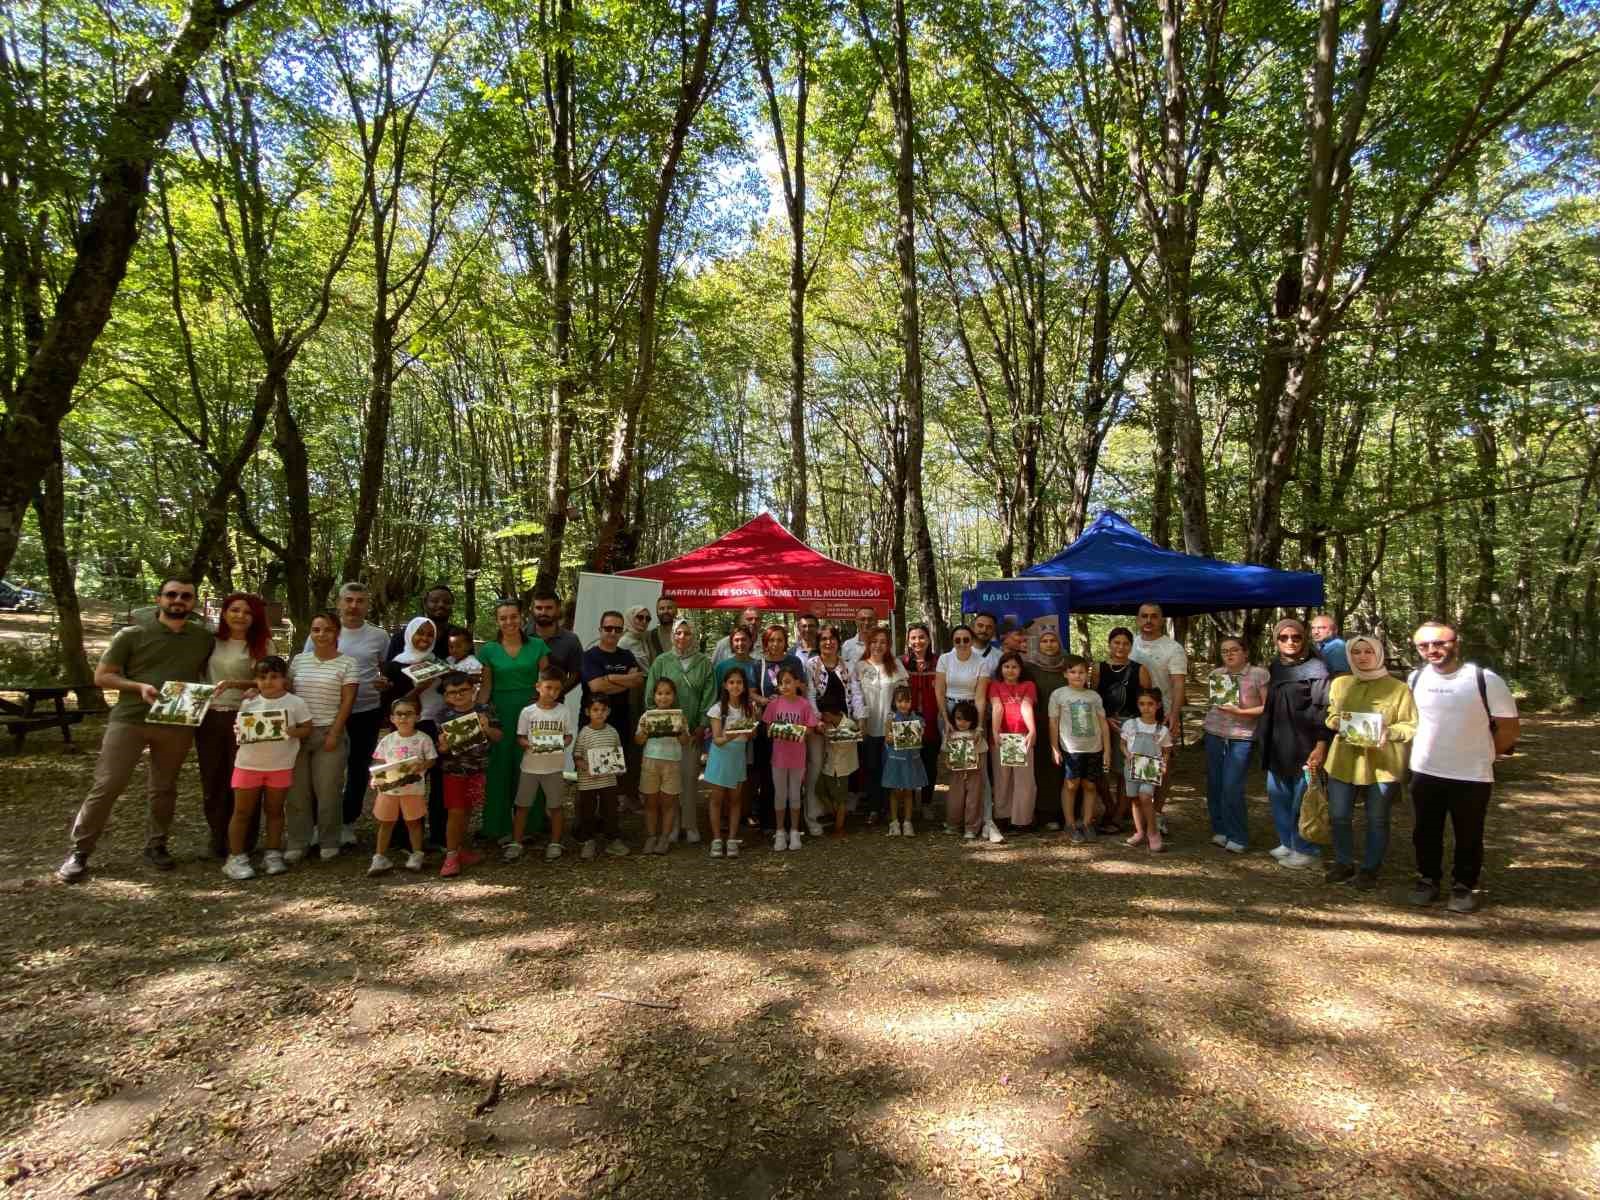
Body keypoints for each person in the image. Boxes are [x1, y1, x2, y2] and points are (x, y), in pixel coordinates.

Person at [58, 576, 217, 883]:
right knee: (107, 785)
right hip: (130, 719)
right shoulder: (131, 635)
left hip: (175, 721)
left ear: (193, 602)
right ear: (159, 599)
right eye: (172, 594)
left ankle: (156, 845)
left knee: (164, 787)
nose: (178, 600)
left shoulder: (202, 638)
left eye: (186, 596)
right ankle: (80, 851)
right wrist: (138, 686)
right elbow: (102, 676)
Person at [1405, 621, 1518, 912]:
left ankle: (1463, 887)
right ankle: (1427, 880)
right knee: (1424, 832)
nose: (1433, 650)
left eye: (1440, 643)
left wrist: (1486, 755)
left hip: (1471, 774)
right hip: (1425, 770)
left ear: (1456, 642)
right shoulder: (1415, 679)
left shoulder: (1484, 679)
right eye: (1424, 645)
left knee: (1468, 834)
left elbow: (1508, 727)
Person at [1322, 634, 1416, 889]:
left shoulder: (1398, 688)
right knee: (1339, 815)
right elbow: (1331, 715)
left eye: (1368, 652)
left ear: (1378, 654)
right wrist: (1336, 723)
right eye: (1356, 652)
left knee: (1377, 818)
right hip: (1343, 760)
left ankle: (1370, 869)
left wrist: (1391, 732)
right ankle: (1343, 862)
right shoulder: (1341, 684)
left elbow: (1410, 725)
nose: (1362, 657)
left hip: (1382, 764)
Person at [310, 582, 392, 848]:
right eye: (348, 600)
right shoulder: (324, 630)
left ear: (368, 604)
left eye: (360, 601)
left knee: (358, 769)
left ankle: (347, 822)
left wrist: (385, 683)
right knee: (323, 770)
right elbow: (306, 666)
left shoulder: (379, 636)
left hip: (365, 710)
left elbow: (385, 669)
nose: (353, 606)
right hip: (326, 711)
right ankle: (318, 824)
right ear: (339, 602)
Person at [196, 592, 276, 859]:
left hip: (248, 717)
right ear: (225, 613)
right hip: (210, 716)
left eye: (247, 612)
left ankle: (244, 840)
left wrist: (243, 686)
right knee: (214, 778)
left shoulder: (263, 645)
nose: (240, 616)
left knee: (244, 781)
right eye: (235, 610)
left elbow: (273, 682)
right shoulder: (210, 642)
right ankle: (217, 836)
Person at [220, 656, 313, 881]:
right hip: (248, 765)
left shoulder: (295, 703)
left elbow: (307, 728)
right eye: (262, 677)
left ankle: (272, 854)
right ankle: (235, 857)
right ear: (255, 680)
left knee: (274, 811)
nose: (268, 682)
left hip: (280, 766)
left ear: (284, 679)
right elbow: (241, 731)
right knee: (242, 812)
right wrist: (239, 731)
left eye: (274, 677)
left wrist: (293, 731)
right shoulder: (249, 702)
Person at [1257, 617, 1333, 869]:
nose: (1290, 642)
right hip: (1278, 741)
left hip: (1305, 743)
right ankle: (1287, 842)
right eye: (1283, 637)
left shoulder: (1318, 670)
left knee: (1304, 797)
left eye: (1296, 637)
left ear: (1304, 639)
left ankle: (1306, 847)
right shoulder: (1277, 666)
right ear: (1276, 640)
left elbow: (1324, 710)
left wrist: (1321, 744)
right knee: (1278, 794)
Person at [285, 612, 358, 863]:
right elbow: (288, 694)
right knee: (297, 792)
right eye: (316, 630)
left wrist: (335, 733)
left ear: (337, 633)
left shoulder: (348, 663)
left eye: (327, 630)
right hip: (298, 733)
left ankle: (328, 840)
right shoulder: (298, 661)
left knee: (328, 790)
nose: (321, 635)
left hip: (329, 731)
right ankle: (297, 840)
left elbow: (347, 701)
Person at [477, 598, 550, 843]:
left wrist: (547, 710)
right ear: (497, 621)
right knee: (499, 769)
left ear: (522, 617)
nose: (509, 622)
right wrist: (481, 712)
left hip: (531, 712)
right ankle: (497, 827)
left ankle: (532, 825)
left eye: (513, 616)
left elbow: (546, 681)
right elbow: (486, 687)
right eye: (503, 617)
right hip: (501, 714)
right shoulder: (488, 650)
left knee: (532, 766)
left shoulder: (538, 646)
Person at [644, 618, 715, 844]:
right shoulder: (662, 662)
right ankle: (672, 826)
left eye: (687, 633)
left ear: (694, 636)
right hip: (665, 735)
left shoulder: (704, 663)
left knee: (689, 778)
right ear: (672, 635)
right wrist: (663, 723)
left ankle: (690, 824)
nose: (682, 637)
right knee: (669, 784)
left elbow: (709, 695)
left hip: (692, 731)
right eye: (678, 633)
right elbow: (650, 697)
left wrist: (701, 725)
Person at [381, 617, 447, 850]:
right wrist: (418, 689)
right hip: (407, 730)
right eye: (420, 633)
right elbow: (393, 705)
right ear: (409, 634)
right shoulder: (395, 665)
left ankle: (439, 836)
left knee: (439, 784)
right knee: (406, 782)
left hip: (436, 726)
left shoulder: (439, 663)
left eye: (430, 634)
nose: (424, 638)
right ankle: (402, 838)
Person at [1201, 636, 1269, 854]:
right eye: (1224, 651)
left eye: (1234, 650)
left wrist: (1241, 712)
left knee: (1232, 786)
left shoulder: (1259, 674)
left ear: (1245, 652)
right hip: (1214, 733)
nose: (1229, 654)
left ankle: (1238, 835)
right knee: (1215, 784)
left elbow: (1268, 707)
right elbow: (1213, 704)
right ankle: (1220, 829)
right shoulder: (1216, 675)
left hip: (1242, 736)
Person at [435, 671, 501, 877]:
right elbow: (442, 749)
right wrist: (444, 746)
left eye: (463, 690)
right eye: (452, 692)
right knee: (455, 812)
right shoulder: (442, 715)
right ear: (446, 696)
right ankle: (451, 855)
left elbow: (499, 736)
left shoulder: (485, 709)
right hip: (454, 772)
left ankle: (462, 849)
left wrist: (487, 728)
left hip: (478, 771)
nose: (458, 695)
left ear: (473, 690)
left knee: (468, 811)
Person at [935, 624, 996, 841]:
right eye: (957, 640)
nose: (961, 644)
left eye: (966, 639)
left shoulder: (982, 662)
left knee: (976, 771)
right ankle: (953, 820)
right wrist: (945, 719)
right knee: (955, 770)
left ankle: (977, 821)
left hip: (972, 713)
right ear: (953, 641)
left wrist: (979, 725)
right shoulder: (945, 659)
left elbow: (980, 696)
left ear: (971, 640)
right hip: (950, 712)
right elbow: (939, 690)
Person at [582, 611, 649, 807]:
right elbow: (596, 687)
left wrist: (609, 678)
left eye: (617, 629)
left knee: (611, 778)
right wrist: (620, 681)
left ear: (622, 631)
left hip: (619, 722)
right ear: (600, 630)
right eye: (608, 628)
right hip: (594, 725)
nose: (612, 633)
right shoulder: (590, 656)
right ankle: (587, 828)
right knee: (592, 778)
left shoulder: (626, 654)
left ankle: (609, 824)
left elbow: (637, 680)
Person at [805, 627, 866, 835]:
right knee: (816, 768)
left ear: (838, 642)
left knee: (841, 769)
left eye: (832, 639)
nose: (828, 643)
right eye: (823, 639)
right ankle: (813, 816)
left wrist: (860, 718)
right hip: (818, 726)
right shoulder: (811, 665)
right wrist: (816, 719)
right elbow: (810, 694)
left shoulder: (847, 666)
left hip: (842, 726)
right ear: (818, 642)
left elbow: (855, 694)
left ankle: (838, 811)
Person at [1093, 628, 1152, 834]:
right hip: (1105, 724)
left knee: (1126, 773)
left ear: (1131, 646)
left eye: (1125, 643)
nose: (1120, 647)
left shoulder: (1140, 669)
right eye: (1116, 642)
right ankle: (1110, 808)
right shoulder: (1098, 668)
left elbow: (1147, 700)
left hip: (1132, 726)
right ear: (1109, 644)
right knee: (1100, 771)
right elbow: (1094, 697)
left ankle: (1118, 816)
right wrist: (1105, 718)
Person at [366, 697, 434, 875]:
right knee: (386, 822)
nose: (403, 718)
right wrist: (375, 778)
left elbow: (432, 759)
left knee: (413, 822)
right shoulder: (387, 740)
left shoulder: (423, 739)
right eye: (399, 714)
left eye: (408, 714)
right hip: (388, 790)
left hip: (412, 789)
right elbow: (379, 761)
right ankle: (380, 857)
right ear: (392, 718)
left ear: (417, 717)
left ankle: (417, 854)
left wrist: (423, 765)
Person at [512, 668, 574, 861]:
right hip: (530, 767)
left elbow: (568, 736)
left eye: (557, 689)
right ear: (538, 687)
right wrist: (530, 745)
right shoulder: (528, 712)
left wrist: (560, 743)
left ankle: (555, 843)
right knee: (522, 806)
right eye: (548, 687)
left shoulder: (563, 711)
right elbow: (520, 738)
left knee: (555, 807)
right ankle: (516, 843)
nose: (552, 693)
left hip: (554, 767)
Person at [1049, 654, 1110, 844]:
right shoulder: (1059, 695)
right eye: (1073, 672)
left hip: (1093, 747)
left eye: (1081, 672)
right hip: (1070, 748)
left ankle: (1086, 823)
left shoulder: (1094, 696)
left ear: (1087, 674)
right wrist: (1054, 747)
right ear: (1065, 674)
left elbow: (1103, 724)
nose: (1077, 676)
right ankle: (1070, 824)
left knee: (1090, 785)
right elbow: (1053, 723)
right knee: (1071, 784)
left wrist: (1107, 750)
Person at [752, 625, 806, 834]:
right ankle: (769, 822)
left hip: (791, 724)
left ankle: (793, 825)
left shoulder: (794, 662)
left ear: (785, 642)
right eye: (771, 640)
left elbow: (802, 687)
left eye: (780, 640)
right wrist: (766, 700)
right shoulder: (759, 664)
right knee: (768, 775)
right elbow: (751, 692)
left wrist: (788, 696)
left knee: (793, 777)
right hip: (769, 722)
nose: (775, 644)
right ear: (766, 642)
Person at [855, 628, 907, 826]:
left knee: (890, 767)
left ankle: (889, 808)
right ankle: (873, 808)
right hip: (868, 726)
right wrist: (860, 719)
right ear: (868, 644)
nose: (878, 645)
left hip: (890, 727)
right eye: (874, 641)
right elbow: (855, 695)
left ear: (888, 646)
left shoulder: (896, 667)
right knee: (871, 767)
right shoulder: (859, 666)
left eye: (883, 642)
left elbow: (903, 696)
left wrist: (896, 722)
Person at [762, 664, 816, 851]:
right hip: (778, 758)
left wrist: (798, 731)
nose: (784, 686)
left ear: (797, 683)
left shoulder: (804, 705)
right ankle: (779, 831)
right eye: (781, 683)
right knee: (780, 794)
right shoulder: (773, 705)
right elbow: (767, 727)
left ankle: (794, 831)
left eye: (788, 682)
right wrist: (774, 730)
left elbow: (810, 728)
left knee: (794, 795)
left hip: (797, 758)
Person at [637, 677, 692, 854]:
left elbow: (685, 741)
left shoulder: (679, 716)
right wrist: (644, 731)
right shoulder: (647, 716)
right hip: (650, 760)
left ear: (674, 696)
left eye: (668, 693)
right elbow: (638, 740)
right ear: (654, 696)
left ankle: (664, 838)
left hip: (672, 762)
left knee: (669, 802)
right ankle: (651, 836)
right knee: (651, 802)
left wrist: (681, 731)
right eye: (660, 693)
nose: (663, 697)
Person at [1023, 629, 1069, 832]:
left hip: (1066, 726)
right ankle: (1044, 813)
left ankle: (1064, 812)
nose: (1049, 644)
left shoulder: (1068, 667)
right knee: (1042, 769)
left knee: (1062, 769)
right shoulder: (1029, 668)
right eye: (1044, 641)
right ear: (1038, 645)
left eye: (1053, 641)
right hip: (1038, 724)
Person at [706, 668, 756, 856]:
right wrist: (732, 734)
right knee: (717, 799)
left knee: (736, 800)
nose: (736, 686)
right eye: (732, 682)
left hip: (738, 757)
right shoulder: (717, 709)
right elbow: (717, 740)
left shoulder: (748, 708)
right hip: (721, 757)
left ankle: (732, 838)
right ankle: (717, 839)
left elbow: (752, 733)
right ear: (725, 685)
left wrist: (750, 732)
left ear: (744, 686)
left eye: (739, 682)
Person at [572, 696, 629, 858]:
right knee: (587, 812)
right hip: (587, 783)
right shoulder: (584, 733)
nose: (599, 713)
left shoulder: (612, 731)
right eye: (595, 710)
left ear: (608, 712)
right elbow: (577, 756)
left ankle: (613, 840)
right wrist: (586, 768)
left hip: (609, 781)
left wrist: (619, 768)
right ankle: (588, 841)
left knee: (611, 810)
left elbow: (617, 754)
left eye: (603, 710)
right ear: (588, 712)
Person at [989, 651, 1039, 832]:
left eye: (1014, 667)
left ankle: (1022, 819)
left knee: (1024, 781)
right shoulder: (995, 686)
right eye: (1006, 666)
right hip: (1001, 738)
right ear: (1001, 668)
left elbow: (1026, 706)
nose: (1010, 671)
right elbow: (997, 707)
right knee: (1003, 779)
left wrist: (1032, 730)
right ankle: (1003, 817)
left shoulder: (1028, 685)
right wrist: (995, 731)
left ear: (1021, 669)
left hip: (1022, 738)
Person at [1121, 688, 1173, 852]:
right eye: (1142, 704)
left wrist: (1164, 764)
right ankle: (1139, 831)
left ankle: (1153, 832)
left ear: (1157, 706)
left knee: (1145, 796)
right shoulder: (1130, 724)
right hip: (1132, 764)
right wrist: (1127, 754)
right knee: (1135, 799)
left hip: (1151, 766)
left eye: (1150, 704)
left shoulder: (1161, 730)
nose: (1146, 708)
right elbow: (1122, 744)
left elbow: (1166, 750)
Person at [902, 623, 943, 819]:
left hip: (932, 720)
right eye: (913, 638)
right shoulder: (902, 663)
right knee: (908, 761)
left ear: (928, 639)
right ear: (908, 641)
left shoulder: (939, 662)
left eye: (921, 637)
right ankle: (908, 805)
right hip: (907, 721)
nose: (917, 641)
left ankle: (926, 803)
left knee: (929, 763)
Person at [882, 685, 929, 834]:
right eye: (900, 701)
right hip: (895, 760)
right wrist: (891, 738)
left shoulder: (917, 719)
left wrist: (919, 734)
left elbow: (921, 737)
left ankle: (908, 822)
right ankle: (894, 822)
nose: (903, 704)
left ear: (911, 702)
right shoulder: (891, 718)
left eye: (907, 701)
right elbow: (887, 739)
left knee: (909, 791)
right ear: (895, 702)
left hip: (911, 760)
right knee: (895, 791)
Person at [384, 585, 468, 662]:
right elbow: (390, 671)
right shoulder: (401, 637)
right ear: (425, 604)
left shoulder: (461, 637)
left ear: (452, 606)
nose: (441, 605)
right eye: (435, 601)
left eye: (446, 602)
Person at [942, 700, 987, 838]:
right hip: (956, 772)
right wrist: (947, 763)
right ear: (953, 718)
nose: (962, 723)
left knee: (973, 799)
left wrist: (978, 764)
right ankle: (953, 825)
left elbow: (982, 753)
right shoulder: (950, 734)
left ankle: (971, 827)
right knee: (955, 798)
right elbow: (945, 752)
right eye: (959, 719)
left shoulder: (976, 735)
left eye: (967, 720)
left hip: (974, 772)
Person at [815, 698, 860, 836]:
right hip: (828, 766)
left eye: (823, 715)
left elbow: (845, 744)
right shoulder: (827, 725)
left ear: (828, 714)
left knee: (840, 799)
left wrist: (829, 735)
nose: (822, 717)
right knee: (820, 790)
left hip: (842, 768)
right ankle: (836, 815)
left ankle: (839, 828)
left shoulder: (850, 724)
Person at [530, 588, 583, 696]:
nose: (543, 612)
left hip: (554, 706)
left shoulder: (570, 640)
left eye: (549, 608)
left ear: (558, 609)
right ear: (532, 609)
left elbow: (577, 674)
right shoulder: (520, 636)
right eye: (539, 608)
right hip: (520, 702)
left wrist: (557, 693)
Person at [645, 594, 679, 661]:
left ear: (676, 611)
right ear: (657, 612)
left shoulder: (684, 635)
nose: (665, 611)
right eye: (662, 608)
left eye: (669, 608)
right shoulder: (649, 636)